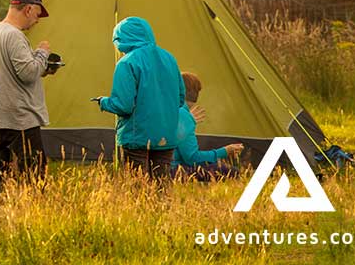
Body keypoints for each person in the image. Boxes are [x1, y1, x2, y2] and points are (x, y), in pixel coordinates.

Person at [90, 16, 185, 182]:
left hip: (136, 137)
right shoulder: (169, 59)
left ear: (122, 39)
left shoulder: (126, 63)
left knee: (136, 187)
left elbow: (123, 105)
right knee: (161, 186)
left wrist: (104, 102)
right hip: (166, 136)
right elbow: (180, 99)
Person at [0, 0, 56, 194]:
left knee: (4, 173)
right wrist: (42, 53)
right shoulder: (14, 35)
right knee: (33, 173)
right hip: (20, 118)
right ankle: (32, 209)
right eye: (37, 14)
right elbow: (28, 73)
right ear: (28, 9)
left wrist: (43, 69)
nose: (37, 20)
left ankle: (2, 206)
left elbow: (10, 71)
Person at [174, 71, 245, 180]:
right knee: (231, 171)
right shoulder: (182, 114)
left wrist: (188, 120)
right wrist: (225, 151)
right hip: (173, 171)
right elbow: (192, 158)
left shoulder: (173, 110)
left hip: (159, 168)